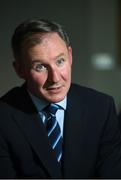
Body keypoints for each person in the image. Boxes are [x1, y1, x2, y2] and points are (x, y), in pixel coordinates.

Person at [0, 19, 121, 179]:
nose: (55, 78)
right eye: (40, 67)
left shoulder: (101, 108)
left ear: (70, 57)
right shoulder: (3, 117)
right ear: (20, 70)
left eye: (60, 61)